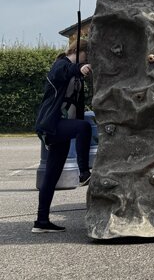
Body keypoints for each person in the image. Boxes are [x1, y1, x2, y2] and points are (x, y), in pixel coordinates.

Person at [32, 38, 93, 233]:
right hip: (53, 124)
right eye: (86, 56)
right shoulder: (60, 64)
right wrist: (79, 68)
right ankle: (84, 173)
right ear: (78, 51)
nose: (87, 60)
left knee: (51, 176)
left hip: (63, 127)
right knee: (84, 127)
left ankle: (41, 221)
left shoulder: (76, 74)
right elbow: (64, 72)